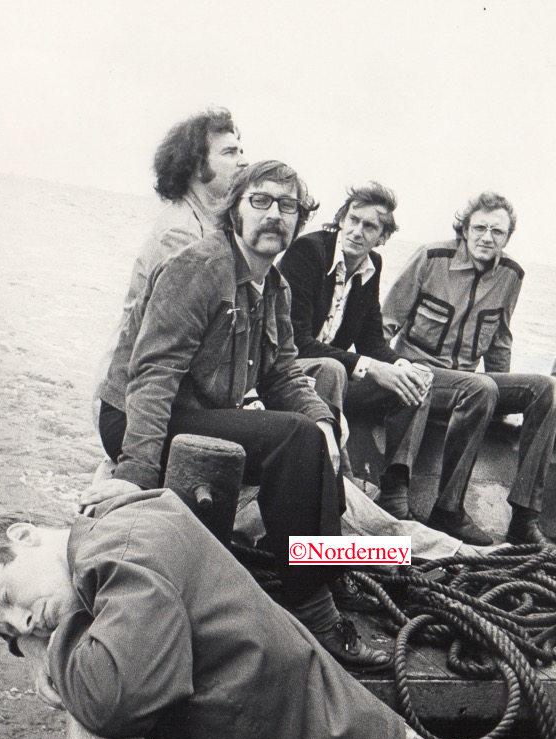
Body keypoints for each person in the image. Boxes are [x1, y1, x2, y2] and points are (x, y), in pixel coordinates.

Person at [0, 487, 465, 739]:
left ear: (23, 535)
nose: (23, 622)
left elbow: (115, 697)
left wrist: (47, 647)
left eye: (8, 597)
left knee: (351, 541)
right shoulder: (111, 553)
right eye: (9, 632)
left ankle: (444, 554)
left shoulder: (123, 552)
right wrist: (34, 640)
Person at [93, 159, 389, 669]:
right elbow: (154, 375)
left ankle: (327, 570)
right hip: (140, 421)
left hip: (197, 418)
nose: (275, 214)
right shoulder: (200, 269)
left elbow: (282, 373)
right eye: (261, 201)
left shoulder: (273, 287)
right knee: (292, 439)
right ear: (236, 211)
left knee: (313, 434)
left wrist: (322, 419)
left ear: (300, 220)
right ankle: (312, 607)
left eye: (288, 206)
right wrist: (135, 474)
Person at [383, 192, 556, 545]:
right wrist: (386, 374)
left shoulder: (511, 275)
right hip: (420, 372)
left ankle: (525, 516)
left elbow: (499, 341)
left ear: (507, 237)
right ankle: (443, 507)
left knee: (546, 388)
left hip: (468, 382)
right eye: (479, 228)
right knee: (481, 388)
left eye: (497, 231)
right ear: (464, 229)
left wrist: (504, 408)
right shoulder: (432, 258)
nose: (487, 238)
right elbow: (386, 323)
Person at [279, 183, 432, 521]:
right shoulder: (308, 252)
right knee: (333, 368)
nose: (357, 231)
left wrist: (400, 364)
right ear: (341, 219)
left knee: (416, 380)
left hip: (333, 377)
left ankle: (394, 489)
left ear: (383, 237)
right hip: (288, 375)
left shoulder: (370, 265)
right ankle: (341, 489)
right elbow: (295, 342)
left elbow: (372, 341)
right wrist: (371, 366)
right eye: (353, 220)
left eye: (370, 226)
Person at [92, 106, 247, 413]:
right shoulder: (181, 233)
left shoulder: (208, 225)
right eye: (229, 153)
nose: (243, 160)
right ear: (196, 166)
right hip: (132, 400)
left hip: (158, 388)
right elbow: (167, 341)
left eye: (241, 150)